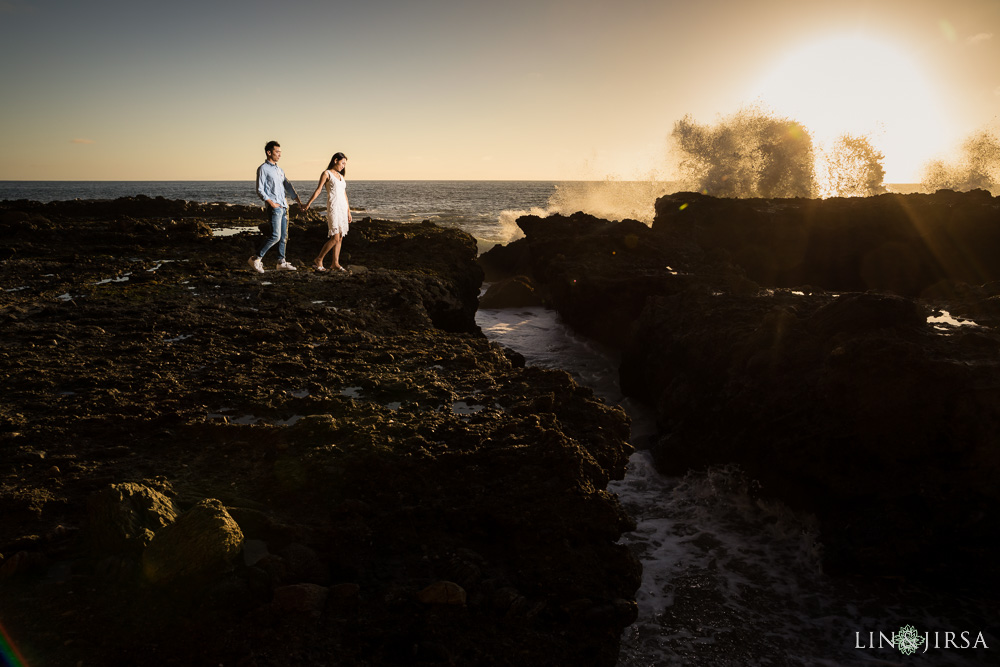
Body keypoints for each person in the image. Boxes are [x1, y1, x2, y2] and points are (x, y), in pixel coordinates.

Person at [248, 140, 303, 273]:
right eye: (277, 152)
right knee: (275, 236)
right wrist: (271, 203)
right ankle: (255, 258)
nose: (279, 154)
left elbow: (288, 186)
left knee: (284, 236)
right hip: (275, 208)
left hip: (284, 206)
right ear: (269, 152)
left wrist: (298, 201)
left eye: (280, 152)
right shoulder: (263, 169)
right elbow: (260, 190)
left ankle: (281, 262)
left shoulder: (279, 170)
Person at [301, 152, 352, 272]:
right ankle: (319, 259)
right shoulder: (326, 173)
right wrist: (308, 204)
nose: (344, 165)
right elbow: (318, 190)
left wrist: (348, 212)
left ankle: (335, 263)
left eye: (345, 164)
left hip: (343, 209)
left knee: (340, 237)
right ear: (335, 160)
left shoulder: (341, 176)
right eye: (342, 163)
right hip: (334, 207)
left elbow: (344, 195)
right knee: (334, 237)